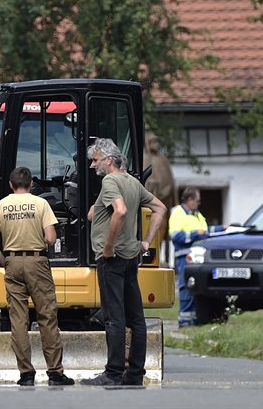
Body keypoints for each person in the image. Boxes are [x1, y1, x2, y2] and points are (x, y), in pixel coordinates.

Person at [81, 138, 167, 386]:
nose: (92, 166)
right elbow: (160, 208)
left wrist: (108, 246)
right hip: (131, 256)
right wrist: (146, 242)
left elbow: (120, 211)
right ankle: (135, 374)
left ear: (108, 160)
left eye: (95, 160)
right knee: (136, 318)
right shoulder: (132, 182)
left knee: (114, 317)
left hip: (112, 257)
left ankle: (113, 373)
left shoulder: (110, 181)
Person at [0, 166, 75, 387]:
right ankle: (55, 372)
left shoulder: (1, 206)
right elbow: (51, 238)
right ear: (32, 184)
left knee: (18, 320)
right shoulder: (41, 204)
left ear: (10, 184)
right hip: (37, 262)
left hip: (12, 262)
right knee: (47, 316)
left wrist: (5, 261)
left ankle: (26, 373)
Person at [169, 187, 222, 327]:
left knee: (197, 287)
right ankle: (185, 321)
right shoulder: (178, 213)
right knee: (186, 287)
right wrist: (195, 234)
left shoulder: (197, 214)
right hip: (184, 257)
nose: (199, 204)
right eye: (197, 201)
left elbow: (205, 231)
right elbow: (175, 236)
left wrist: (223, 229)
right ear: (189, 200)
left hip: (198, 257)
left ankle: (195, 319)